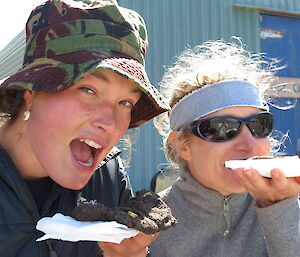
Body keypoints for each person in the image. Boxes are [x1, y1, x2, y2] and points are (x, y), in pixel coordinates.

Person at [0, 1, 170, 257]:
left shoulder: (107, 179)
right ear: (31, 91)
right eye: (87, 90)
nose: (111, 123)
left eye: (125, 103)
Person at [149, 39, 300, 257]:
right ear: (182, 145)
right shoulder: (147, 226)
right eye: (223, 128)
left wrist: (280, 211)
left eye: (259, 125)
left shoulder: (290, 209)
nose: (249, 144)